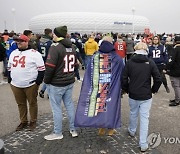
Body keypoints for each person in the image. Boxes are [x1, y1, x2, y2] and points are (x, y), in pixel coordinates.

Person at [75, 36, 124, 136]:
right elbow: (122, 71)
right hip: (112, 86)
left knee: (100, 105)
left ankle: (101, 126)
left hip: (98, 85)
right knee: (112, 106)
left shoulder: (95, 56)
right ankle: (111, 128)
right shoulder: (116, 57)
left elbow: (90, 71)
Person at [122, 42, 162, 152]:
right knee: (145, 118)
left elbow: (124, 78)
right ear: (146, 50)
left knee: (133, 113)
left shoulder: (129, 62)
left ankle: (132, 130)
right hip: (146, 94)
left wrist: (126, 89)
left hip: (133, 93)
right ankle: (143, 143)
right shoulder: (150, 62)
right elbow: (158, 79)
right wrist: (153, 90)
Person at [44, 26, 78, 140]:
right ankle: (73, 129)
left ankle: (57, 132)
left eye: (54, 33)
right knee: (69, 105)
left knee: (56, 108)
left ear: (57, 35)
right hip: (69, 81)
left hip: (57, 83)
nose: (52, 35)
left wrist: (46, 81)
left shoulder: (55, 47)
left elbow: (49, 67)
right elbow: (76, 65)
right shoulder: (72, 46)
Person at [7, 34, 45, 131]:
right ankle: (23, 121)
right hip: (16, 84)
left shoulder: (34, 53)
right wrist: (10, 79)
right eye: (17, 41)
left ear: (27, 42)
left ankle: (33, 120)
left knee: (32, 103)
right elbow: (9, 67)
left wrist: (37, 82)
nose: (19, 42)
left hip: (30, 84)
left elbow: (41, 69)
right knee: (21, 104)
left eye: (21, 41)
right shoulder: (13, 53)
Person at [37, 28, 53, 98]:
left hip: (41, 61)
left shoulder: (39, 41)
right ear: (49, 33)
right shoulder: (50, 42)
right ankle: (48, 93)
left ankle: (43, 90)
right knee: (50, 78)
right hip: (48, 62)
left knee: (46, 77)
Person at [166, 35, 180, 106]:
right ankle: (178, 98)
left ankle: (177, 100)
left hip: (175, 70)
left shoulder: (175, 49)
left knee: (176, 86)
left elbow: (171, 60)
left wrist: (166, 68)